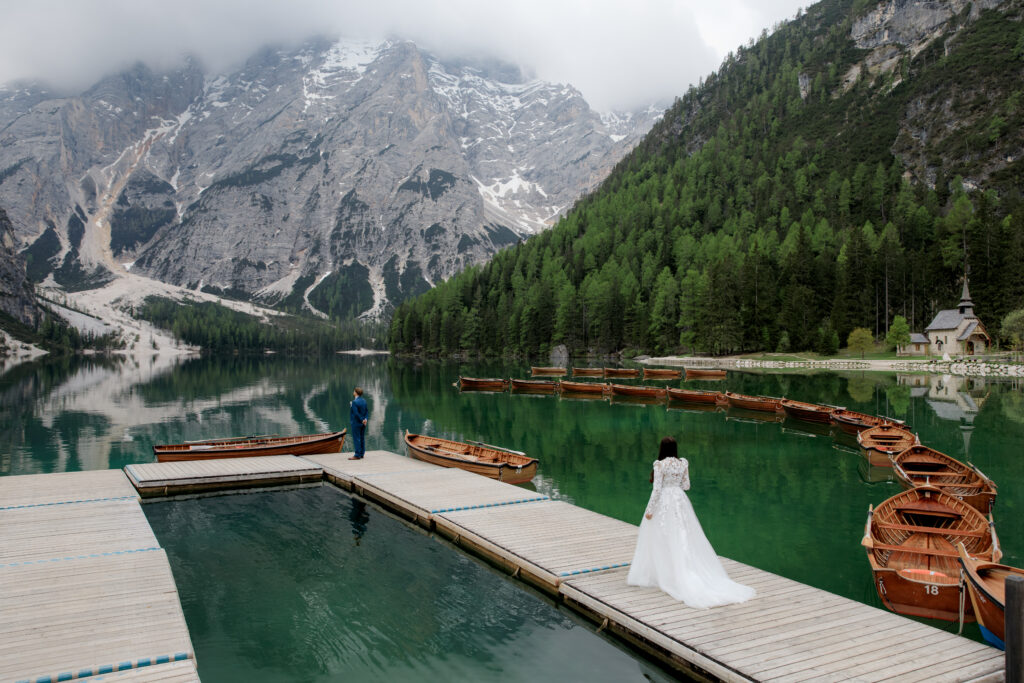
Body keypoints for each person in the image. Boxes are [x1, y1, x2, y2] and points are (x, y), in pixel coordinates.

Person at [626, 436, 755, 608]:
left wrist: (649, 511)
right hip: (679, 500)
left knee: (661, 536)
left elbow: (656, 490)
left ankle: (665, 573)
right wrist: (676, 483)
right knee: (683, 535)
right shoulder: (683, 463)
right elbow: (686, 486)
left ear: (662, 449)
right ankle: (682, 568)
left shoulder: (659, 465)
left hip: (664, 500)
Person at [348, 387, 369, 460]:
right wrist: (365, 419)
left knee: (356, 438)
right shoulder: (364, 401)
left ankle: (357, 455)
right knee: (362, 438)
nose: (353, 392)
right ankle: (362, 453)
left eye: (354, 391)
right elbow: (366, 411)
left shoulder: (354, 402)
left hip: (356, 423)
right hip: (363, 423)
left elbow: (356, 413)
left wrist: (361, 420)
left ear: (356, 393)